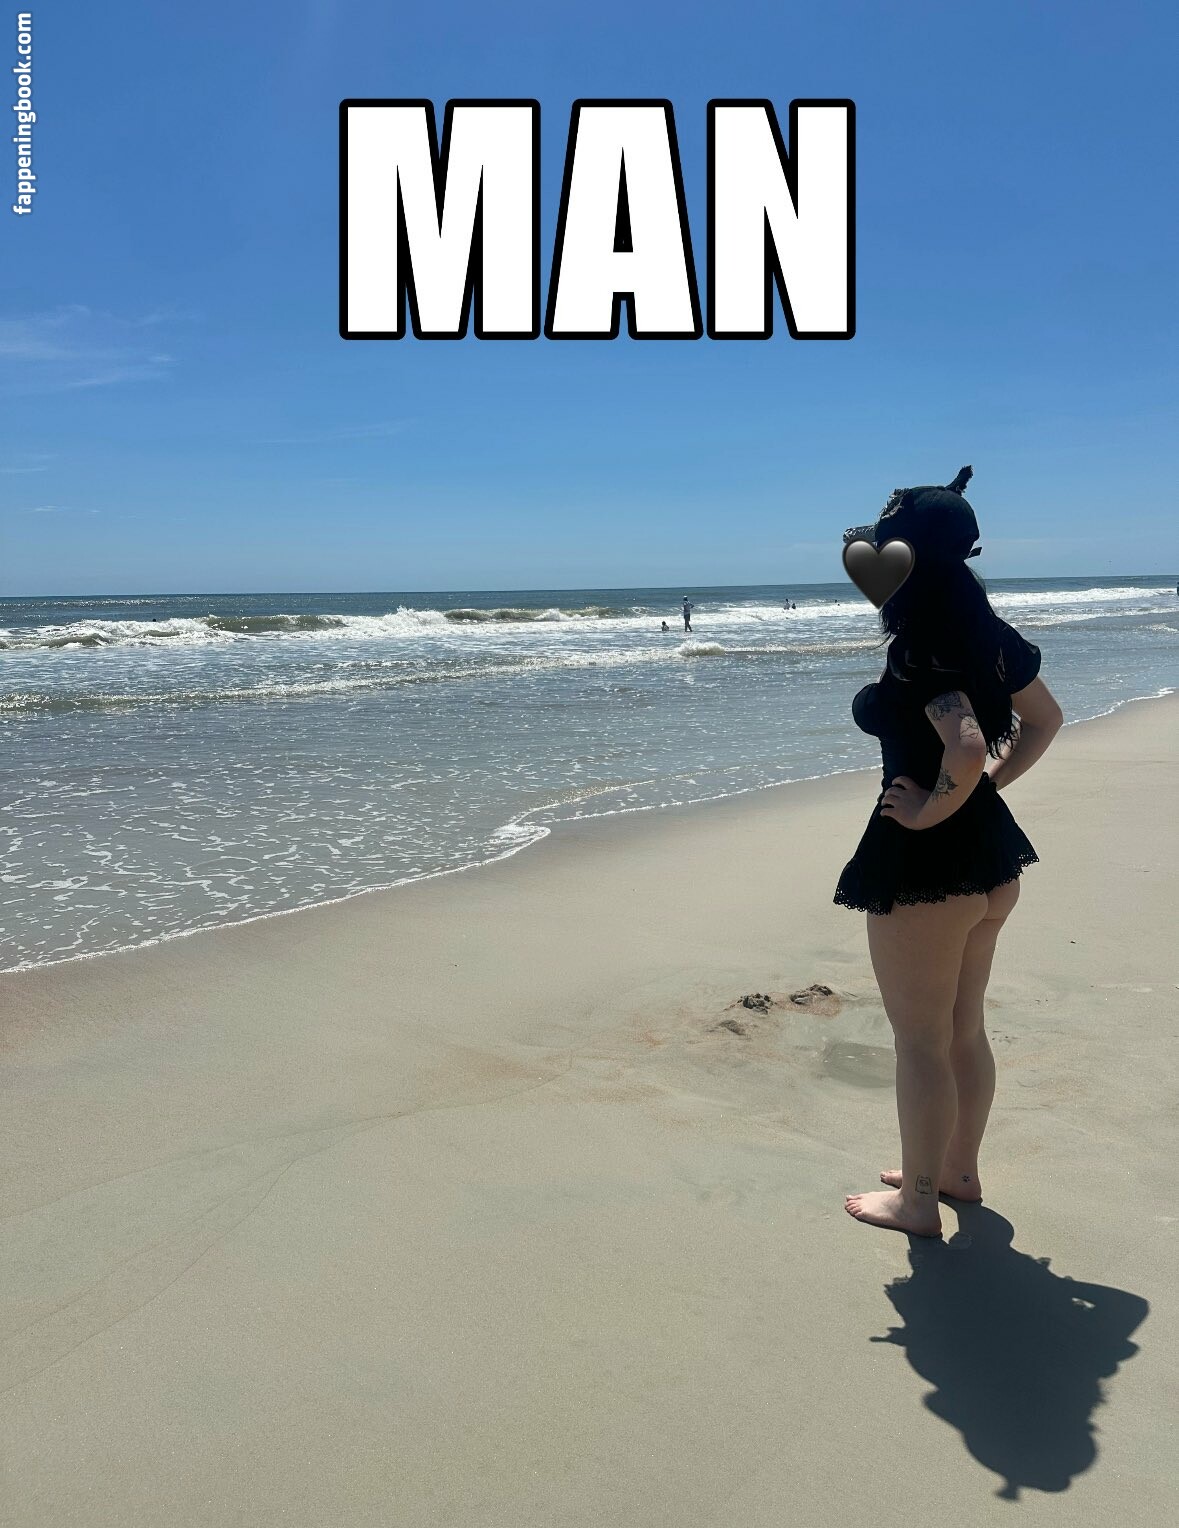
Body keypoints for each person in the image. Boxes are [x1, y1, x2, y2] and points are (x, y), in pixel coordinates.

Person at [834, 466, 1064, 1238]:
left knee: (919, 1043)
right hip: (989, 859)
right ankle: (956, 1170)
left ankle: (919, 1200)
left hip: (926, 867)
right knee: (962, 1028)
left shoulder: (921, 646)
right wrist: (982, 790)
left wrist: (932, 808)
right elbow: (1044, 720)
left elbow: (962, 744)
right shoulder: (989, 638)